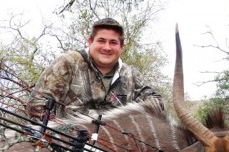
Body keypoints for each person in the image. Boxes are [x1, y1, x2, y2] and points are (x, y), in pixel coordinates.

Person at [28, 17, 165, 119]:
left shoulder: (131, 76)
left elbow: (157, 104)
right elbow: (37, 103)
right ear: (90, 42)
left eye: (113, 42)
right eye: (101, 41)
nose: (106, 47)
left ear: (122, 47)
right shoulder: (68, 62)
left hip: (113, 148)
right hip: (65, 143)